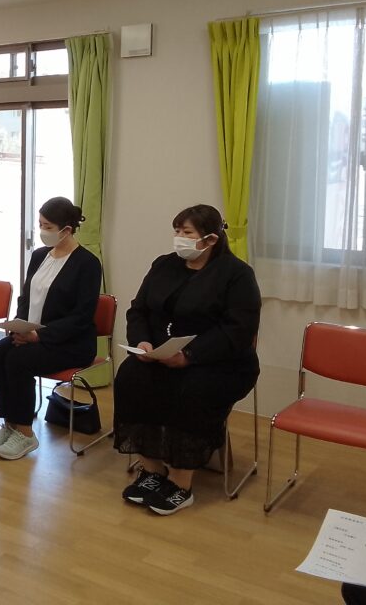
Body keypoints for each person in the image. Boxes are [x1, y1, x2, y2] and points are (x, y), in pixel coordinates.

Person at [115, 204, 261, 516]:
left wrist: (190, 356)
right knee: (130, 377)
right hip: (161, 355)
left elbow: (238, 330)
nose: (179, 238)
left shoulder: (236, 275)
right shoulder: (164, 265)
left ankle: (181, 483)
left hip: (220, 362)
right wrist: (142, 342)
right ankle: (152, 470)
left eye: (187, 233)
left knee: (192, 389)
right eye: (177, 231)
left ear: (210, 239)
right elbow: (139, 310)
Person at [0, 197, 102, 461]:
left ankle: (25, 433)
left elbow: (81, 316)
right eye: (40, 225)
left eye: (48, 226)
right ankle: (9, 424)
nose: (42, 231)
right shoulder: (39, 256)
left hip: (70, 342)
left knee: (18, 360)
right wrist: (18, 326)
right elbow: (25, 298)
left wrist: (39, 335)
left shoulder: (88, 264)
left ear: (66, 230)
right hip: (32, 335)